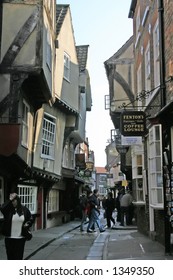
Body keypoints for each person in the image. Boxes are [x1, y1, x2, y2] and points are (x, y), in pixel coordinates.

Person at [0, 192, 34, 260]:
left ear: (18, 200)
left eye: (14, 200)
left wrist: (28, 223)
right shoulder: (8, 210)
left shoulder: (24, 209)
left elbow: (31, 218)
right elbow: (2, 208)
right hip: (9, 238)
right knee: (10, 258)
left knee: (18, 258)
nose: (13, 202)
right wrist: (10, 199)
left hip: (20, 239)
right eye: (11, 201)